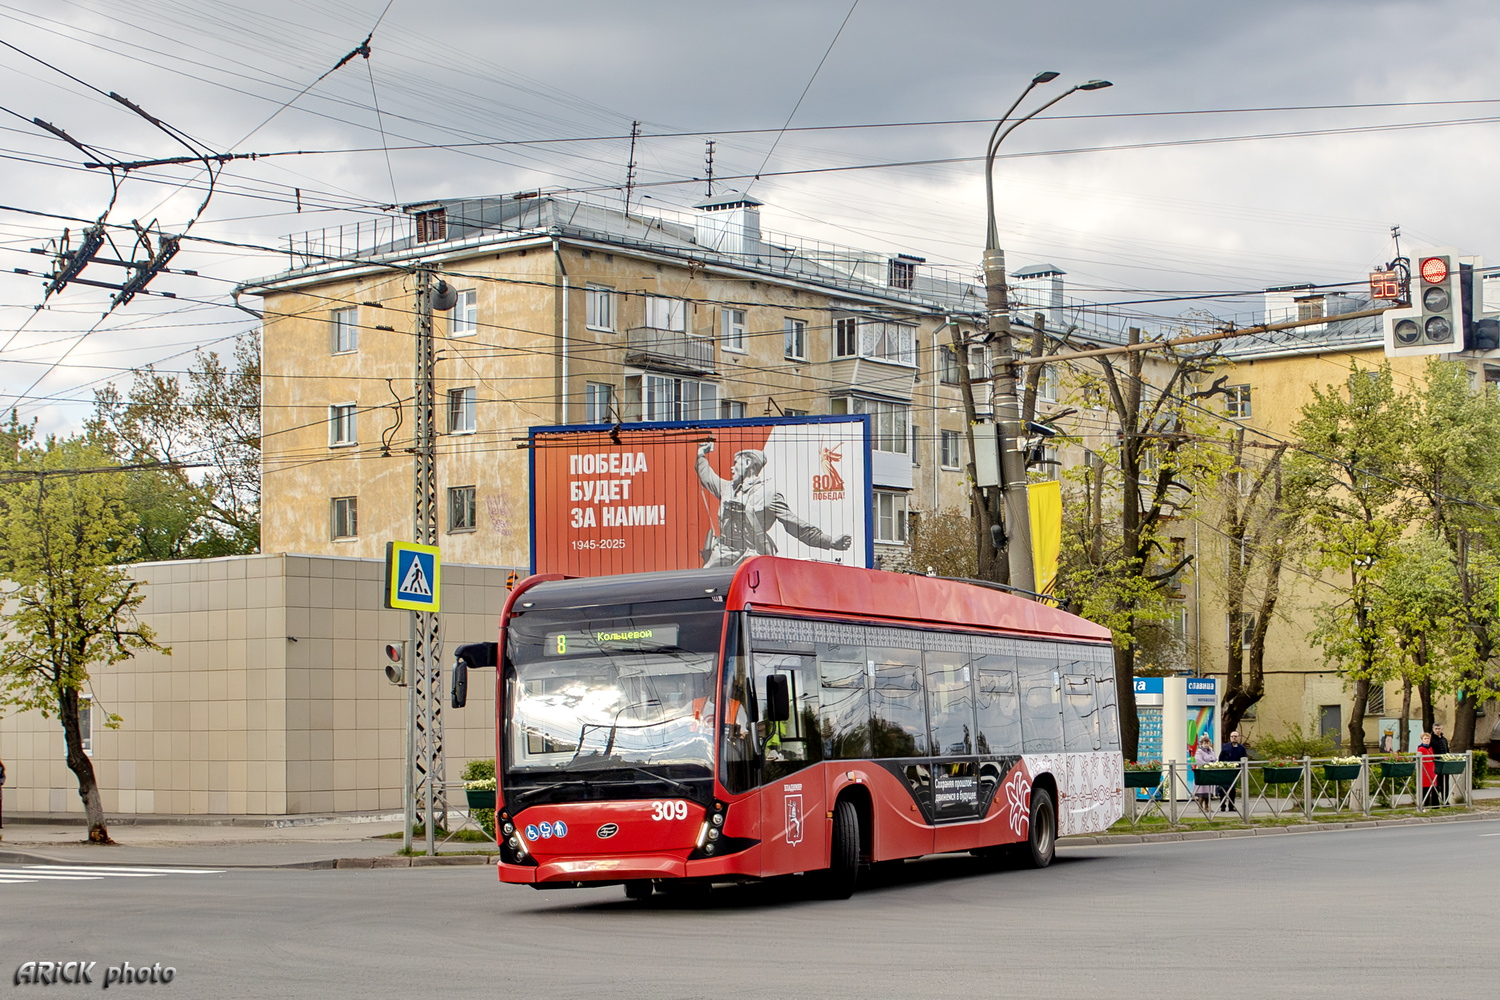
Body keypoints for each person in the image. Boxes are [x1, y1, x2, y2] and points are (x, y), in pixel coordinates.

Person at [695, 441, 852, 567]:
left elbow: (796, 526)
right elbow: (707, 476)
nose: (732, 467)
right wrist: (701, 455)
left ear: (748, 463)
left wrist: (829, 541)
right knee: (703, 586)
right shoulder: (727, 488)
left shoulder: (769, 495)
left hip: (751, 556)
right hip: (723, 552)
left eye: (736, 463)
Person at [1218, 730, 1249, 812]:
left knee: (1232, 789)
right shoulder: (1225, 746)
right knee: (1223, 788)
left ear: (1238, 737)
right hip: (1225, 771)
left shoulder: (1241, 748)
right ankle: (1222, 806)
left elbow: (1244, 759)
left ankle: (1231, 806)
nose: (1234, 738)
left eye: (1235, 736)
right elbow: (1220, 758)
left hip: (1236, 771)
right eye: (1232, 736)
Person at [1193, 734, 1217, 815]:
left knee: (1208, 791)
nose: (1206, 744)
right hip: (1202, 772)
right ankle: (1200, 806)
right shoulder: (1199, 752)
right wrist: (1207, 764)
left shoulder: (1211, 751)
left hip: (1210, 773)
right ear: (1201, 743)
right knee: (1202, 790)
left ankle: (1207, 806)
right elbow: (1199, 760)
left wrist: (1214, 764)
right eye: (1204, 743)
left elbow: (1215, 759)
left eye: (1207, 743)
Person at [1415, 732, 1438, 807]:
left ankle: (1434, 804)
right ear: (1422, 740)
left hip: (1432, 770)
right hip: (1425, 771)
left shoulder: (1430, 748)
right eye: (1425, 739)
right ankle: (1425, 804)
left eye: (1428, 739)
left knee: (1433, 787)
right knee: (1426, 788)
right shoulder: (1421, 749)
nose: (1427, 740)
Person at [1431, 723, 1452, 802]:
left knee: (1445, 783)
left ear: (1442, 729)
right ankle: (1435, 802)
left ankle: (1445, 801)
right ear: (1433, 729)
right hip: (1436, 764)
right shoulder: (1431, 739)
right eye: (1436, 729)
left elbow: (1447, 751)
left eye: (1439, 729)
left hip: (1444, 764)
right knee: (1436, 783)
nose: (1438, 730)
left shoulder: (1444, 739)